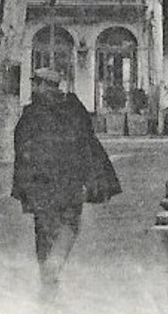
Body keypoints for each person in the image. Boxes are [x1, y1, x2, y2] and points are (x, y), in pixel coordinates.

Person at [12, 68, 121, 301]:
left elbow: (22, 149)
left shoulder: (31, 114)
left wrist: (23, 187)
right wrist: (90, 179)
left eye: (36, 83)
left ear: (43, 85)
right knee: (69, 225)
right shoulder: (74, 110)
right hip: (70, 181)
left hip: (40, 184)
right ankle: (54, 266)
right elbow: (88, 144)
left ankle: (47, 275)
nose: (32, 88)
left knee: (43, 230)